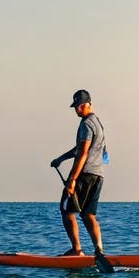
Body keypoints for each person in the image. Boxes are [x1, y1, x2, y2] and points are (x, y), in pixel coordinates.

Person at [49, 89, 108, 258]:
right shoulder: (97, 122)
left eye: (80, 105)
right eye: (76, 106)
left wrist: (72, 180)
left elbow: (83, 153)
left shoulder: (86, 124)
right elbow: (82, 148)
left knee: (66, 211)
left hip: (84, 175)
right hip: (98, 175)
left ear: (88, 104)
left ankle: (77, 250)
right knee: (88, 214)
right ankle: (99, 250)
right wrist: (61, 158)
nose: (77, 109)